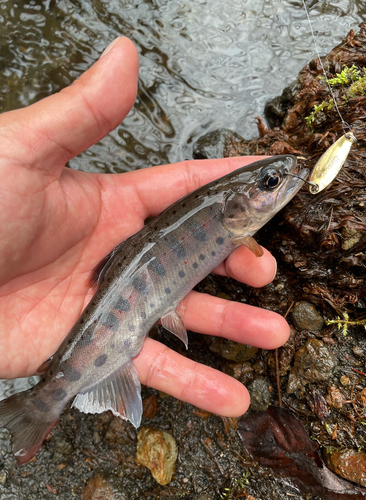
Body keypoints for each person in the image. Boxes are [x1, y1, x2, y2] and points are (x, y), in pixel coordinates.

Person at [0, 37, 289, 418]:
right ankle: (44, 403)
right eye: (271, 183)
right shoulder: (230, 218)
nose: (282, 183)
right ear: (235, 208)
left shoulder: (232, 219)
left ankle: (45, 401)